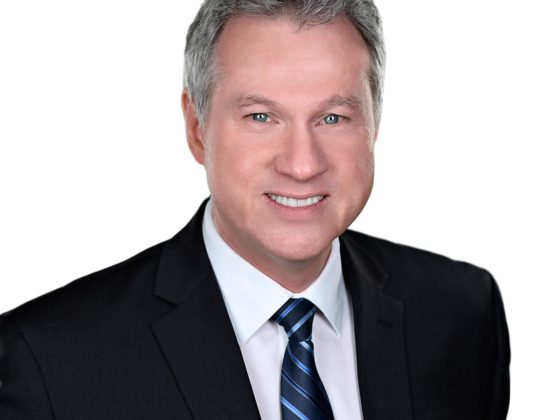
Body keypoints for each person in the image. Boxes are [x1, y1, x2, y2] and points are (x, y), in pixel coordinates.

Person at [0, 0, 510, 419]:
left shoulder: (463, 313)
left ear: (374, 123)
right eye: (261, 116)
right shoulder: (46, 360)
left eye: (333, 117)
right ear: (196, 128)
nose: (302, 164)